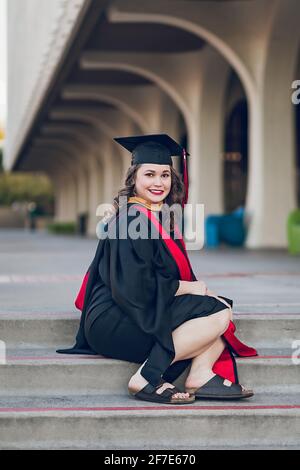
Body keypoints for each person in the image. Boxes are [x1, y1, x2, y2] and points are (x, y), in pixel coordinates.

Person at [57, 134, 257, 405]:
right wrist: (188, 288)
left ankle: (200, 374)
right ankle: (146, 376)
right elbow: (135, 287)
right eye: (149, 174)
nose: (158, 182)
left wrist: (195, 293)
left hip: (134, 311)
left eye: (165, 175)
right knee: (217, 313)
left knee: (219, 306)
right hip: (114, 319)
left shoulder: (155, 216)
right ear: (133, 179)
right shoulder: (131, 220)